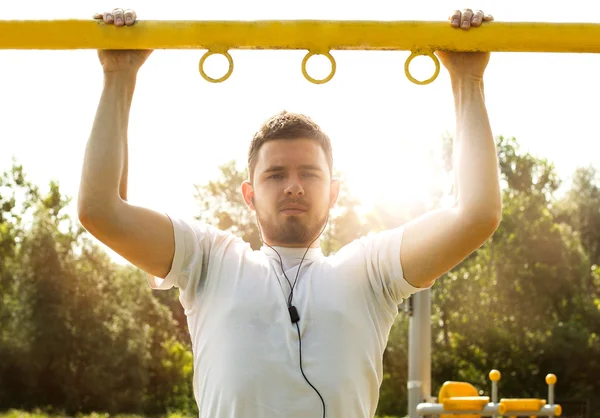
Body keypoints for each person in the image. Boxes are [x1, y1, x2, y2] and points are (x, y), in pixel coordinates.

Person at [79, 7, 500, 418]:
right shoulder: (207, 259)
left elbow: (475, 216)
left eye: (310, 174)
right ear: (249, 194)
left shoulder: (370, 271)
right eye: (276, 174)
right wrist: (119, 75)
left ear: (334, 193)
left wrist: (468, 80)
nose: (294, 185)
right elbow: (102, 210)